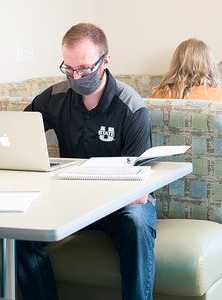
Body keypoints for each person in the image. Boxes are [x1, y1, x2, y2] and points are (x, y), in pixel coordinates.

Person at [17, 23, 155, 300]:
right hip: (70, 203)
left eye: (83, 69)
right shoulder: (54, 98)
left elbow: (139, 194)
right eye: (69, 69)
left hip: (120, 207)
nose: (76, 76)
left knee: (138, 223)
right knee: (20, 233)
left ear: (105, 61)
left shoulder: (130, 107)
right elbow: (19, 137)